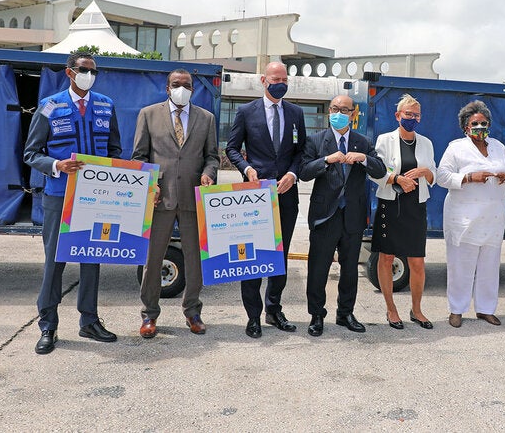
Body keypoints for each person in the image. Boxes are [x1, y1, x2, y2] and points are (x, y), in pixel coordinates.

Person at [23, 52, 121, 354]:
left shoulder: (106, 105)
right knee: (55, 262)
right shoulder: (50, 106)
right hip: (59, 197)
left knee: (92, 258)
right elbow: (31, 153)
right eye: (83, 70)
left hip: (95, 199)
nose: (89, 75)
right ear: (70, 72)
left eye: (93, 71)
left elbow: (115, 150)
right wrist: (56, 165)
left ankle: (89, 321)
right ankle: (48, 325)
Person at [132, 69, 219, 338]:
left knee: (195, 259)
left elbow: (212, 157)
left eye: (187, 85)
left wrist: (208, 174)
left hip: (193, 198)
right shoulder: (148, 114)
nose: (182, 88)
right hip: (160, 198)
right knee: (153, 259)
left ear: (193, 89)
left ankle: (193, 311)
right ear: (167, 88)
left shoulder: (206, 118)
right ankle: (149, 315)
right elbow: (139, 157)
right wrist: (152, 184)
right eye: (176, 84)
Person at [225, 61, 306, 338]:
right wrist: (247, 169)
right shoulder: (247, 112)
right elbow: (232, 147)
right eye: (275, 78)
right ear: (263, 80)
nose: (280, 82)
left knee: (279, 258)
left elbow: (301, 152)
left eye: (284, 78)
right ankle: (253, 316)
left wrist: (293, 174)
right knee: (253, 257)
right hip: (255, 197)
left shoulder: (295, 112)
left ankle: (274, 310)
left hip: (286, 195)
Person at [299, 95, 386, 336]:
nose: (339, 113)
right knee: (318, 268)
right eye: (335, 108)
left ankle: (345, 313)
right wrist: (326, 160)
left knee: (349, 269)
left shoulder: (363, 141)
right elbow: (304, 172)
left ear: (353, 114)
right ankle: (316, 315)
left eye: (345, 110)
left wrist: (364, 158)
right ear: (329, 111)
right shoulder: (316, 140)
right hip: (324, 215)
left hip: (353, 216)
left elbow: (380, 170)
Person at [436, 100, 505, 328]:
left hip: (492, 218)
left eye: (484, 123)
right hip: (464, 220)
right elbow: (441, 176)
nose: (480, 127)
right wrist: (469, 178)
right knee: (460, 267)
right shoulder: (456, 148)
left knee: (489, 268)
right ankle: (457, 310)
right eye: (475, 123)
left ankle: (485, 309)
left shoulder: (498, 147)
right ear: (466, 127)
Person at [370, 94, 436, 330]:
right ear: (398, 116)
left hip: (416, 206)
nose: (412, 118)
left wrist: (424, 172)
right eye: (408, 114)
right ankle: (391, 309)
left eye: (416, 114)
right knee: (386, 258)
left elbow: (434, 176)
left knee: (417, 261)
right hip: (391, 204)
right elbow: (374, 172)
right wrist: (397, 179)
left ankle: (416, 310)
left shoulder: (426, 143)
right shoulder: (384, 140)